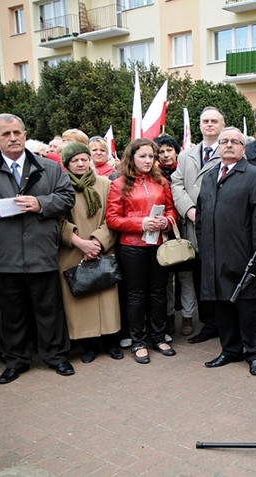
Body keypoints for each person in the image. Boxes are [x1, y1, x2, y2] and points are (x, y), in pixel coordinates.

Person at [0, 113, 76, 384]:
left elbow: (67, 197)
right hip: (6, 256)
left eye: (17, 132)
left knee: (49, 309)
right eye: (5, 134)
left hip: (41, 252)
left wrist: (40, 203)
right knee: (12, 313)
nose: (13, 138)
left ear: (25, 133)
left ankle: (56, 356)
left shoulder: (49, 168)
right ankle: (16, 360)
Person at [197, 127, 256, 376]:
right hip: (214, 254)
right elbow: (201, 215)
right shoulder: (209, 176)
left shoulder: (255, 175)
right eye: (224, 141)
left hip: (243, 255)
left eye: (235, 141)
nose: (229, 145)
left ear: (244, 147)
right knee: (222, 304)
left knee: (246, 306)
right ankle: (230, 349)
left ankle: (254, 354)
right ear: (218, 146)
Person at [106, 138, 178, 364]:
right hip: (132, 247)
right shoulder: (119, 184)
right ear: (132, 158)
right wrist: (141, 223)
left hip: (157, 245)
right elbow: (113, 219)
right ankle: (138, 341)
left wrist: (165, 222)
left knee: (158, 292)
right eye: (142, 156)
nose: (148, 161)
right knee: (136, 294)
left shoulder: (161, 182)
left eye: (151, 156)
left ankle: (158, 336)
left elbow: (171, 210)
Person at [58, 142, 123, 363]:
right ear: (67, 164)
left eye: (84, 159)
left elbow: (112, 216)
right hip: (73, 252)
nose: (80, 163)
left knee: (106, 299)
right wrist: (79, 242)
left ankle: (112, 343)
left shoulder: (105, 184)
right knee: (81, 301)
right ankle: (89, 346)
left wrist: (96, 241)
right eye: (75, 160)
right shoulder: (59, 187)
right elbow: (56, 221)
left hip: (102, 249)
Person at [171, 106, 223, 343]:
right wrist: (189, 210)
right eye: (205, 121)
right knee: (199, 274)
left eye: (214, 121)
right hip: (193, 225)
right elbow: (177, 184)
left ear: (222, 125)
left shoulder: (228, 151)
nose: (209, 124)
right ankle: (209, 323)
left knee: (219, 274)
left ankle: (224, 324)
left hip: (219, 225)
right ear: (200, 125)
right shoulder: (186, 155)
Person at [156, 134, 196, 337]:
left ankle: (188, 317)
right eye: (161, 152)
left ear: (176, 151)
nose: (165, 155)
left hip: (185, 229)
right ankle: (170, 316)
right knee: (167, 278)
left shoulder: (184, 170)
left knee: (186, 276)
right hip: (164, 230)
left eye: (168, 150)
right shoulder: (154, 175)